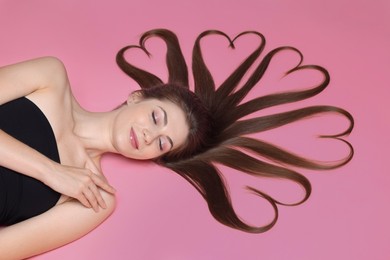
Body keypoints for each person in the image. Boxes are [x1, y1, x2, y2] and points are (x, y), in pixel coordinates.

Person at [0, 29, 354, 259]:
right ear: (136, 97)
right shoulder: (50, 78)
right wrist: (53, 172)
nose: (152, 136)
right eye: (157, 117)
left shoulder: (96, 198)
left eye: (164, 143)